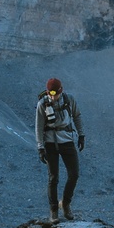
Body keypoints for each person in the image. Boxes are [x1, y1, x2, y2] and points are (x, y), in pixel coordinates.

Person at [34, 77, 84, 219]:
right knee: (53, 177)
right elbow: (38, 126)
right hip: (50, 143)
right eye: (50, 93)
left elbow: (77, 116)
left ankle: (66, 204)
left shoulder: (69, 100)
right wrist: (40, 147)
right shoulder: (42, 104)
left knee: (74, 174)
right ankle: (54, 210)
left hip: (67, 141)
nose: (52, 96)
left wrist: (81, 135)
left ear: (60, 91)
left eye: (55, 93)